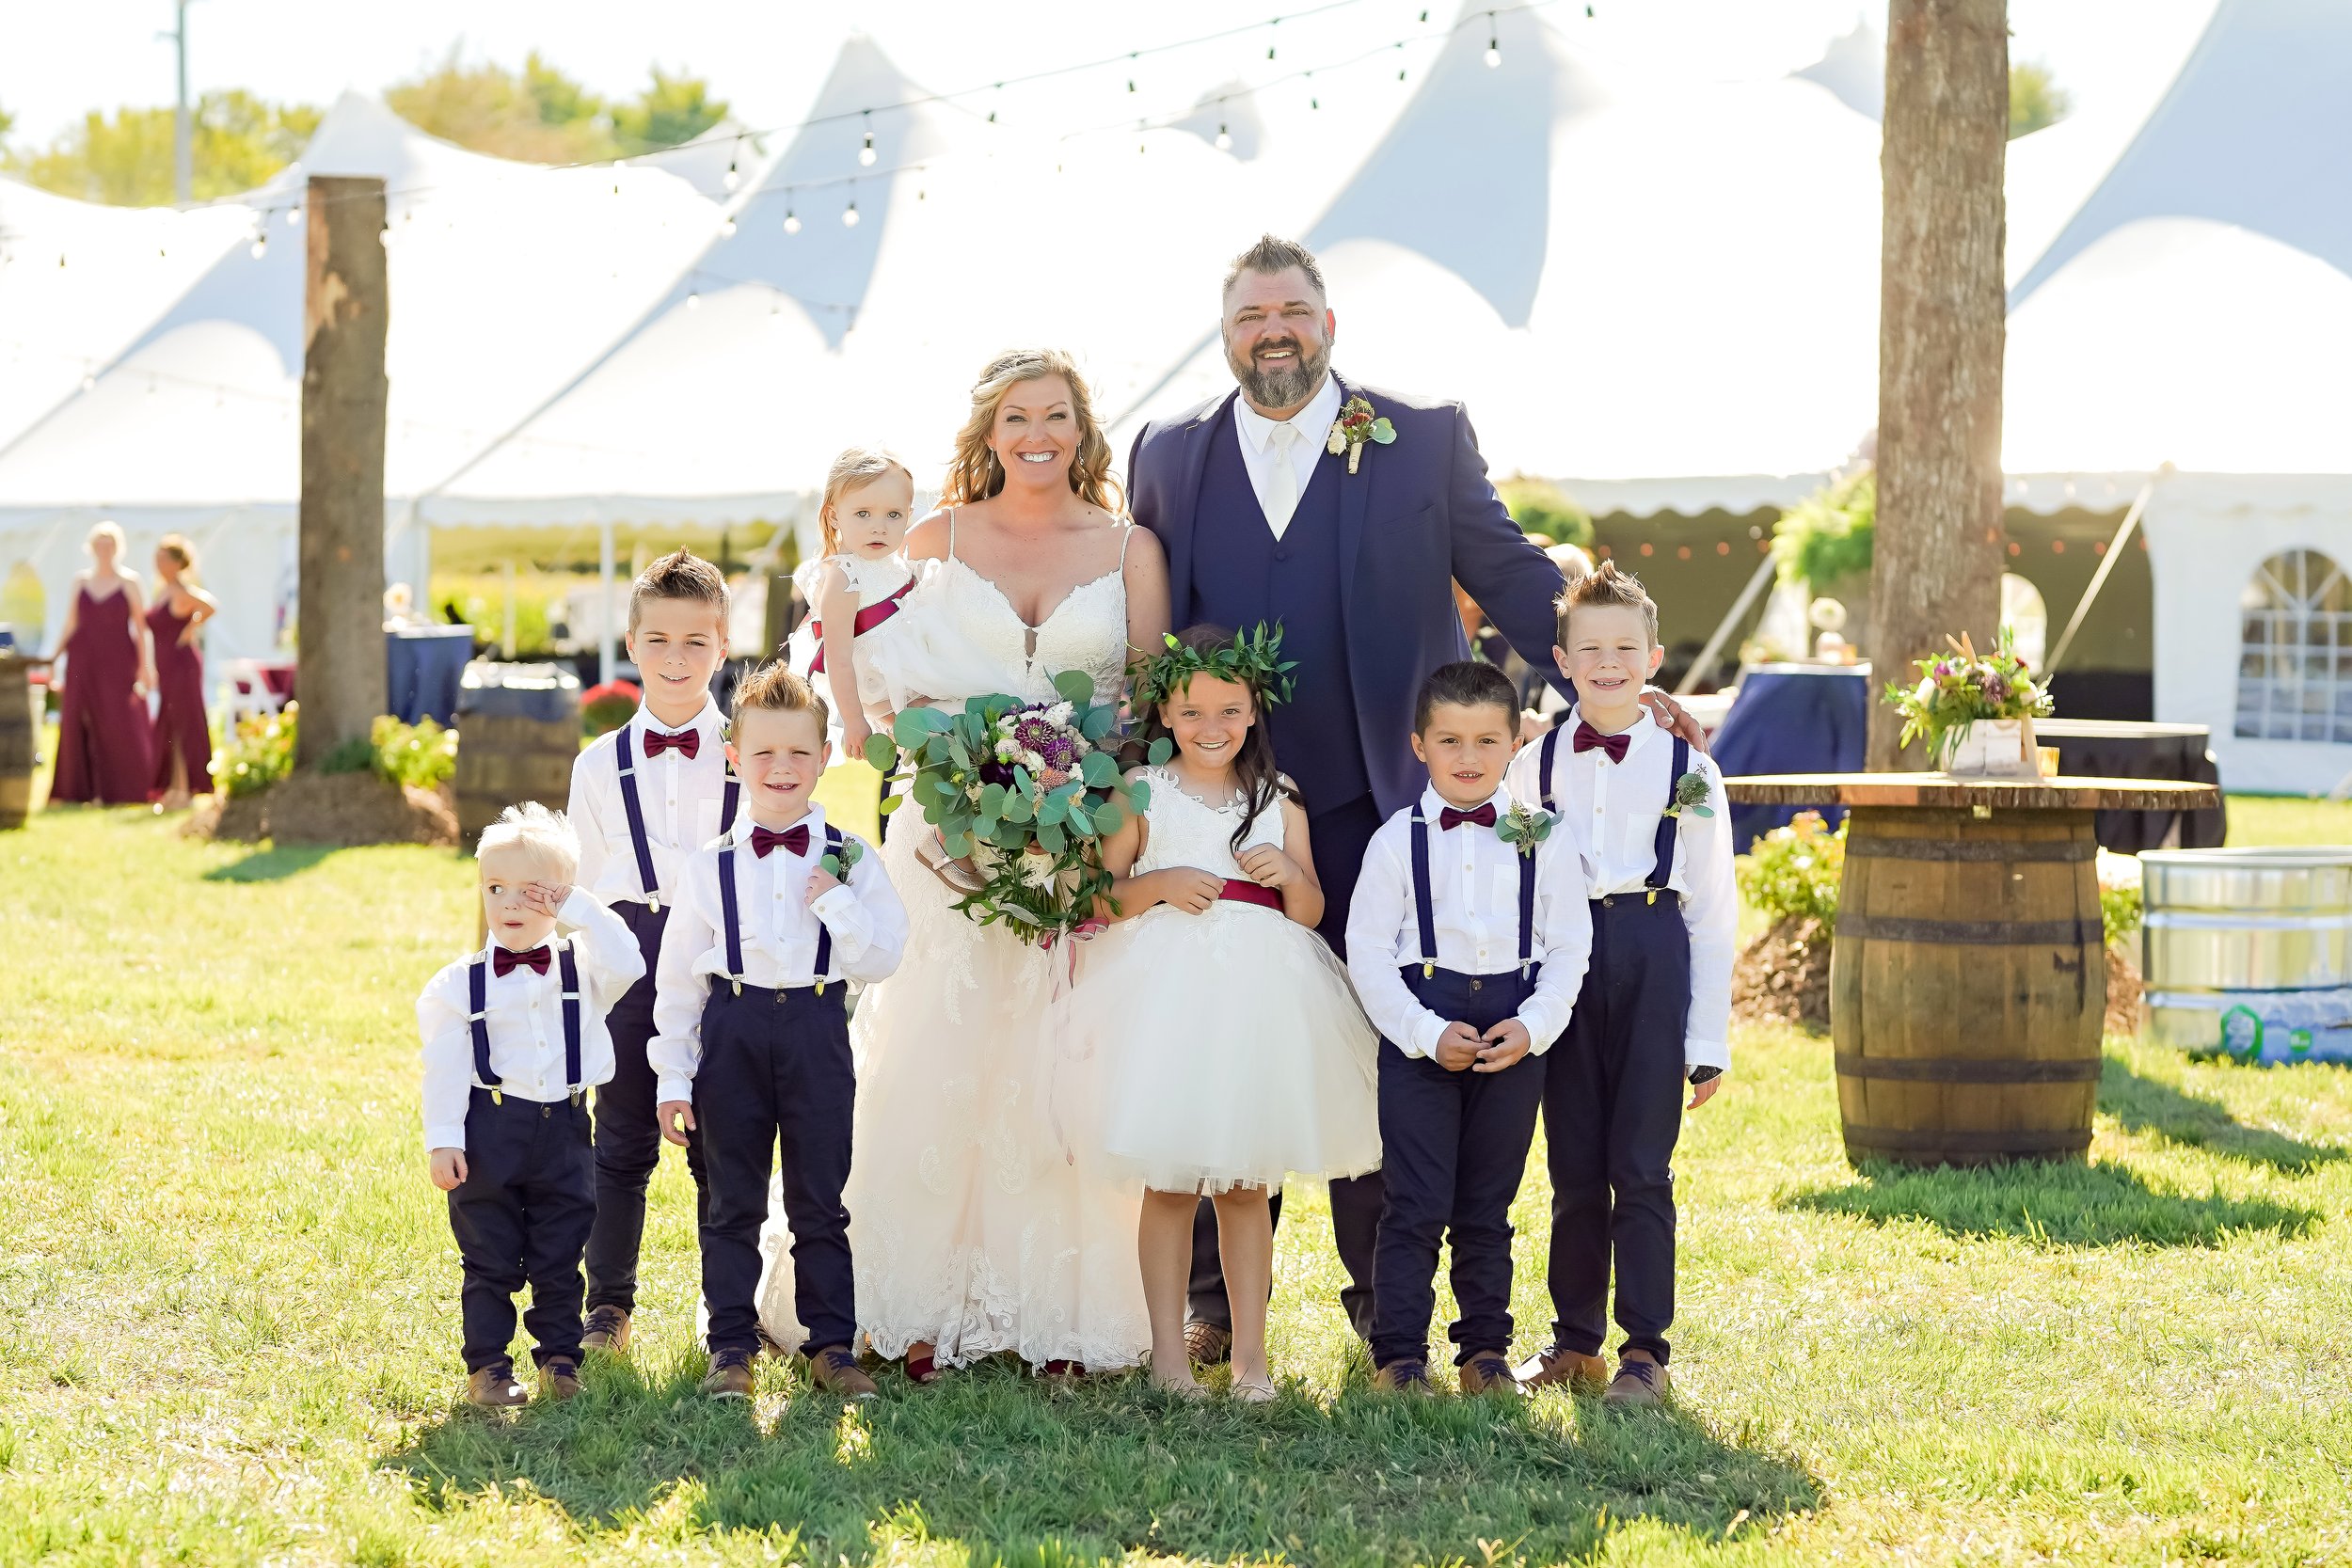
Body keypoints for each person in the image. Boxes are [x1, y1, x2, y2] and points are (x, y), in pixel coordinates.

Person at [1126, 235, 1692, 1362]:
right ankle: (1214, 1307)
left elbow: (1507, 564)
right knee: (1224, 1035)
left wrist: (1602, 670)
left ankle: (1377, 1299)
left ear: (1328, 325)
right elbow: (1143, 610)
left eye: (1290, 309)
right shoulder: (1168, 452)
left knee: (1385, 1049)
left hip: (1393, 804)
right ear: (1224, 332)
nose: (1271, 329)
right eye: (1249, 315)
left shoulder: (1419, 435)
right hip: (1234, 811)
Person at [840, 348, 1168, 1382]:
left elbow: (1149, 705)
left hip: (1078, 853)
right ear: (988, 432)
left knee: (1060, 1073)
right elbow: (871, 663)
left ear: (1083, 429)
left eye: (1058, 415)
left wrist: (1082, 809)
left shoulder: (1129, 549)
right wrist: (923, 750)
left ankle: (1061, 1315)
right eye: (1018, 416)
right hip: (945, 844)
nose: (1038, 434)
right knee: (935, 1059)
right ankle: (913, 1305)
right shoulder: (931, 535)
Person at [1075, 624, 1379, 1401]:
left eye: (1230, 710)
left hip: (1257, 998)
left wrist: (1286, 875)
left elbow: (1310, 909)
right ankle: (1169, 1359)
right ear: (1166, 714)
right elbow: (1102, 898)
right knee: (1172, 1185)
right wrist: (1161, 880)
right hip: (1166, 996)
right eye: (1193, 712)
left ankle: (1250, 1359)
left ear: (1254, 710)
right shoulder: (1140, 790)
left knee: (1246, 1184)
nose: (1213, 728)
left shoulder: (1279, 799)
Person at [1506, 562, 1736, 1407]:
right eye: (1590, 647)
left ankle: (1646, 1348)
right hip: (1564, 957)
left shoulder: (1689, 765)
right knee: (1572, 1162)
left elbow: (1712, 908)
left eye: (1624, 648)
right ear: (1562, 660)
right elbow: (1516, 872)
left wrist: (1706, 1039)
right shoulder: (1531, 767)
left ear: (1654, 658)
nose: (1607, 662)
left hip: (1651, 947)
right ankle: (1575, 1341)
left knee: (1641, 1164)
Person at [651, 664, 906, 1402]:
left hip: (819, 1028)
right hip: (731, 1028)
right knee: (731, 1200)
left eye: (799, 753)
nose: (782, 768)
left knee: (819, 1199)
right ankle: (730, 1343)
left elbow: (886, 953)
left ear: (824, 757)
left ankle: (831, 1343)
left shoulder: (853, 856)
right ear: (734, 756)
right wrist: (673, 1077)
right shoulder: (710, 866)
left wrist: (839, 908)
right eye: (764, 753)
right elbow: (677, 983)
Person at [1345, 661, 1591, 1397]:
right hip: (1423, 1033)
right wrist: (1422, 1032)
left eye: (1487, 740)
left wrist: (1534, 1026)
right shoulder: (1394, 843)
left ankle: (1484, 1350)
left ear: (1515, 742)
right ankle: (1399, 1355)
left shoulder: (1543, 838)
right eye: (1449, 739)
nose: (1468, 756)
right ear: (1419, 744)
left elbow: (1569, 946)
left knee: (1489, 1203)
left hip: (1514, 1035)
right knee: (1415, 1202)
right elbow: (1368, 957)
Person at [564, 550, 739, 1355]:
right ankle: (609, 1306)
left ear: (724, 645)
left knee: (724, 1141)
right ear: (630, 644)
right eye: (659, 639)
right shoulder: (598, 764)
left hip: (722, 953)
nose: (676, 659)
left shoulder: (749, 750)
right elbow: (583, 885)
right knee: (621, 1136)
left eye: (695, 643)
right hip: (632, 953)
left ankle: (725, 1311)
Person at [415, 803, 645, 1406]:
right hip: (489, 1130)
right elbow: (443, 1066)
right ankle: (488, 1368)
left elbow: (630, 959)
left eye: (530, 892)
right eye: (496, 888)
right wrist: (444, 1138)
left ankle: (560, 1361)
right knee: (487, 1257)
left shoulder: (585, 969)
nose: (510, 904)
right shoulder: (458, 984)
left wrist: (578, 908)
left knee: (559, 1253)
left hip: (567, 1128)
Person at [789, 448, 921, 766]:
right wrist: (853, 718)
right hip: (880, 684)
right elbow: (838, 657)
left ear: (909, 514)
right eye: (863, 514)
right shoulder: (845, 576)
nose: (879, 527)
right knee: (927, 739)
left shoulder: (898, 563)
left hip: (917, 668)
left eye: (893, 515)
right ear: (835, 515)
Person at [48, 521, 156, 806]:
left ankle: (126, 789)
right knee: (74, 718)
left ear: (118, 547)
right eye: (99, 543)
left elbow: (142, 627)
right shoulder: (80, 581)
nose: (104, 549)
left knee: (120, 720)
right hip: (82, 656)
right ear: (91, 547)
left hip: (119, 658)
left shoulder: (130, 582)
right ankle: (75, 790)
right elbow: (71, 623)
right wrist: (53, 657)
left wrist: (146, 665)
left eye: (109, 543)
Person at [146, 534, 218, 810]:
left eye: (164, 559)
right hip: (166, 665)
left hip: (182, 665)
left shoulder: (181, 590)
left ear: (177, 563)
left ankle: (186, 788)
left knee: (184, 723)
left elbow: (210, 606)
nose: (159, 564)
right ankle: (173, 787)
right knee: (169, 725)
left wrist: (191, 627)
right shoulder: (161, 591)